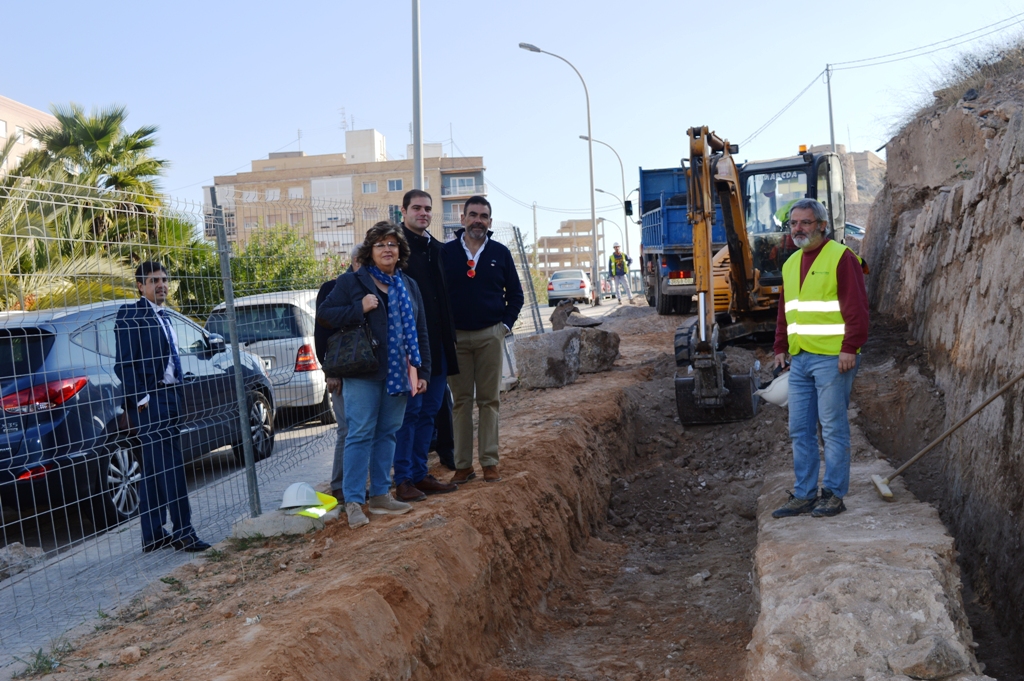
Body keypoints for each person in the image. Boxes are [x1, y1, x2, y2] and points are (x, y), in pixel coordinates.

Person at [317, 222, 431, 529]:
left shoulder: (408, 285)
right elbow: (325, 315)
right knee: (360, 433)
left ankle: (380, 495)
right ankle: (354, 501)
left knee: (388, 432)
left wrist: (423, 372)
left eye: (392, 244)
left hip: (398, 371)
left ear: (400, 251)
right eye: (380, 244)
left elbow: (421, 331)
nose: (387, 249)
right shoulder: (352, 282)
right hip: (363, 371)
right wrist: (359, 307)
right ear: (370, 251)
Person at [770, 199, 869, 519]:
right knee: (800, 429)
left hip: (832, 358)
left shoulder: (841, 257)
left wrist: (850, 347)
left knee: (833, 428)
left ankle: (834, 493)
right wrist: (780, 347)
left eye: (806, 223)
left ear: (822, 226)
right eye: (794, 223)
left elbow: (857, 308)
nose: (798, 229)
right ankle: (804, 494)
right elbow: (786, 312)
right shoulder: (790, 263)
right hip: (799, 359)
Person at [115, 261, 210, 552]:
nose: (162, 285)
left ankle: (153, 534)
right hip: (150, 402)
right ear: (140, 286)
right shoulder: (131, 314)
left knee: (156, 469)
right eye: (154, 280)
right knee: (171, 468)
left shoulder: (164, 316)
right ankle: (184, 531)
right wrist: (142, 400)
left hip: (170, 397)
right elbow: (124, 365)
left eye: (165, 280)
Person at [440, 196, 524, 484]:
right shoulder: (446, 253)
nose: (478, 220)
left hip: (490, 335)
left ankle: (489, 462)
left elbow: (516, 295)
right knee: (461, 402)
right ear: (463, 218)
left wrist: (504, 326)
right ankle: (463, 466)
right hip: (456, 340)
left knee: (489, 401)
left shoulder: (500, 253)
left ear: (489, 221)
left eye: (484, 216)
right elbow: (438, 298)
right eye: (473, 214)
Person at [392, 189, 460, 501]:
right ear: (403, 211)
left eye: (428, 209)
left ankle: (420, 474)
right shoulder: (396, 251)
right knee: (411, 414)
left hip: (440, 347)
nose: (424, 213)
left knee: (430, 410)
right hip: (412, 350)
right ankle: (403, 480)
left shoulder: (438, 249)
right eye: (417, 208)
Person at [313, 244, 361, 499]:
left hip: (368, 372)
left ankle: (361, 482)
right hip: (341, 373)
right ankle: (340, 486)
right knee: (346, 429)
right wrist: (330, 372)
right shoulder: (332, 289)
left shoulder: (373, 288)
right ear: (355, 261)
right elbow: (322, 335)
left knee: (365, 429)